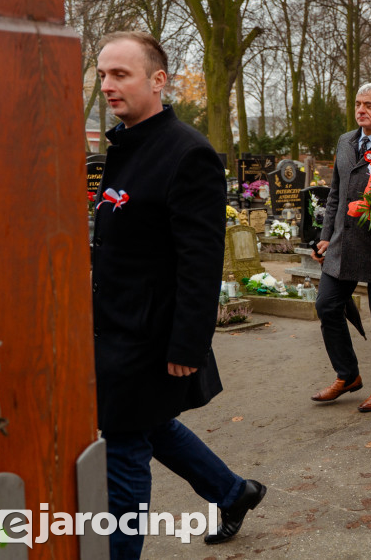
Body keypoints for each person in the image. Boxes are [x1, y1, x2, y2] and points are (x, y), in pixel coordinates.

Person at [92, 32, 264, 557]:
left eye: (120, 74)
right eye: (102, 74)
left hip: (147, 335)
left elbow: (200, 260)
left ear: (158, 80)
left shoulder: (188, 153)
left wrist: (188, 344)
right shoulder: (124, 145)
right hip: (112, 324)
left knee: (122, 446)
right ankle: (232, 493)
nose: (108, 85)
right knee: (150, 426)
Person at [311, 82, 371, 411]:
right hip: (342, 242)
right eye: (357, 104)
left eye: (369, 105)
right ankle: (348, 374)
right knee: (326, 306)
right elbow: (335, 194)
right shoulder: (345, 141)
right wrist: (326, 235)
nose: (361, 110)